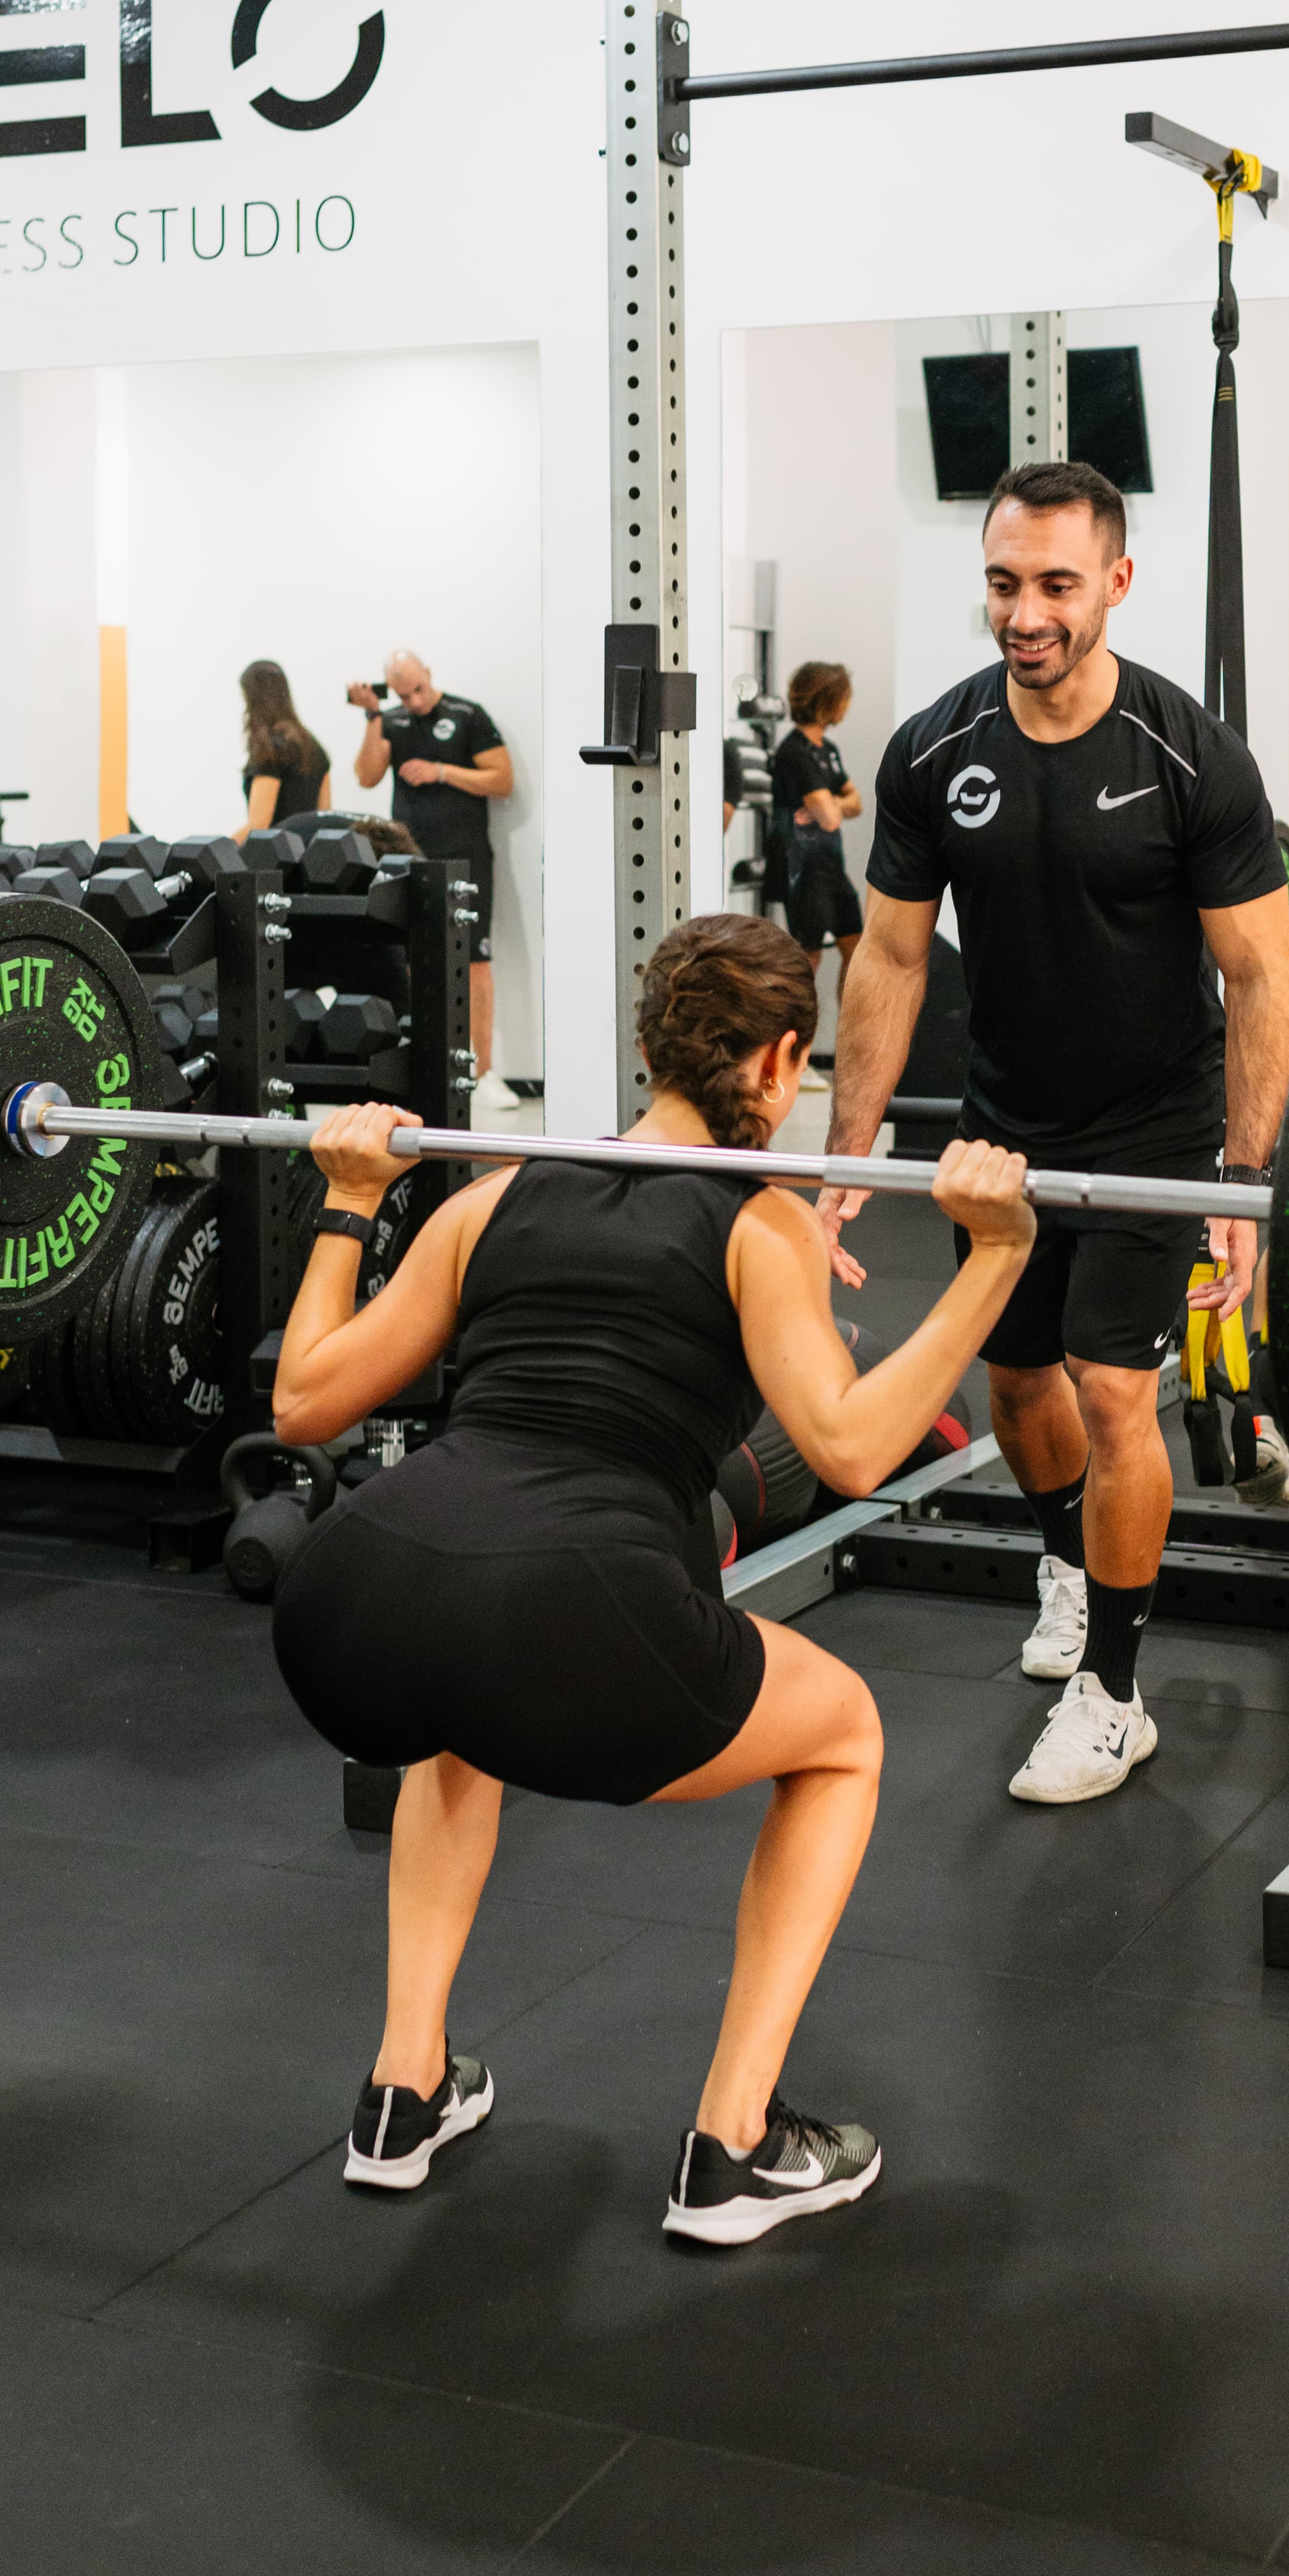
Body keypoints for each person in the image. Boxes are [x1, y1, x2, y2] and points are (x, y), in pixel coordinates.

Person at [269, 913, 1034, 2242]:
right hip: (574, 1605)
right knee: (845, 1732)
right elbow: (851, 1444)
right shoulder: (758, 1222)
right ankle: (733, 2144)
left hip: (353, 1600)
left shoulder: (491, 1193)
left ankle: (404, 2088)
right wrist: (995, 1258)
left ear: (650, 1049)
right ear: (781, 1059)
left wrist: (344, 1204)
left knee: (461, 1720)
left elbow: (304, 1399)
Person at [817, 457, 1289, 1810]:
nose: (1023, 613)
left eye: (1053, 586)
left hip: (1152, 1120)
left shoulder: (1187, 753)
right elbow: (891, 960)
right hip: (1003, 1123)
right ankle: (1065, 1562)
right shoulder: (929, 749)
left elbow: (1261, 977)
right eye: (1001, 583)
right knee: (1017, 1385)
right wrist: (845, 1162)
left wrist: (1245, 1180)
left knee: (1109, 1387)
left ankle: (1115, 1692)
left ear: (1116, 584)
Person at [350, 650, 516, 1114]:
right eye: (404, 694)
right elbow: (365, 776)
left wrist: (441, 771)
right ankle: (421, 1063)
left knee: (476, 958)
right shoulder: (392, 720)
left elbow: (502, 779)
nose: (414, 700)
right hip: (409, 858)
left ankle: (482, 1071)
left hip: (466, 855)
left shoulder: (467, 715)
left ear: (429, 674)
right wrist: (372, 716)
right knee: (409, 959)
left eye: (418, 689)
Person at [771, 660, 865, 989]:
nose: (847, 706)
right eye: (845, 698)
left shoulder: (828, 751)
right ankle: (798, 1040)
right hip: (802, 870)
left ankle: (847, 1038)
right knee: (807, 960)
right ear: (828, 701)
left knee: (857, 950)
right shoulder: (795, 753)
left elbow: (857, 804)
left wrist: (831, 805)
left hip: (830, 867)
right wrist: (833, 807)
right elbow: (831, 819)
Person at [237, 661, 329, 838]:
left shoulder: (270, 751)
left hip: (274, 858)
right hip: (307, 856)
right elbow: (323, 814)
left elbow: (259, 825)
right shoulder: (313, 748)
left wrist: (216, 848)